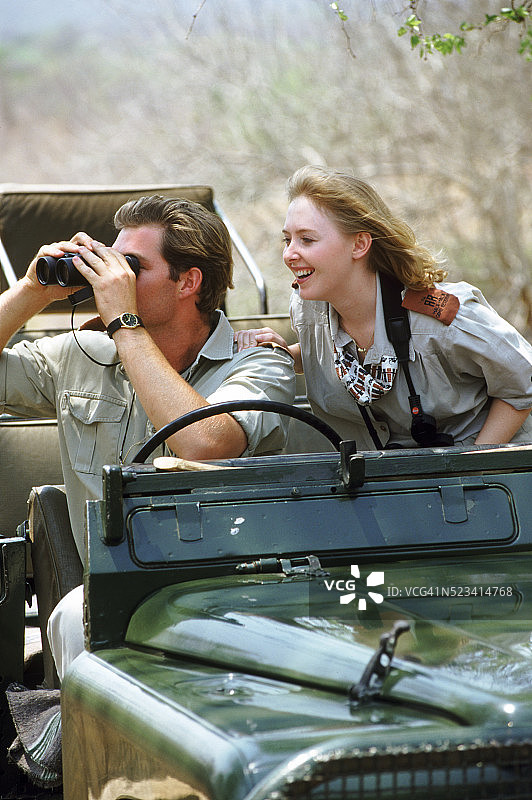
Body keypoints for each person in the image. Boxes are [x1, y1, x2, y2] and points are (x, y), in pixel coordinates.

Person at [0, 194, 295, 682]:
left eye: (131, 265)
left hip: (225, 591)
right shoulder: (80, 355)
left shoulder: (258, 361)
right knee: (76, 615)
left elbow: (204, 441)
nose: (112, 274)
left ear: (189, 281)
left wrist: (125, 322)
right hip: (111, 593)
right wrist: (31, 291)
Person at [236, 165, 532, 450]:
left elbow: (523, 380)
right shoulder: (307, 309)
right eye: (287, 240)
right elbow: (340, 352)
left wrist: (474, 467)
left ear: (360, 245)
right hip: (384, 490)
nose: (289, 254)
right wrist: (287, 355)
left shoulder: (438, 319)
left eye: (307, 239)